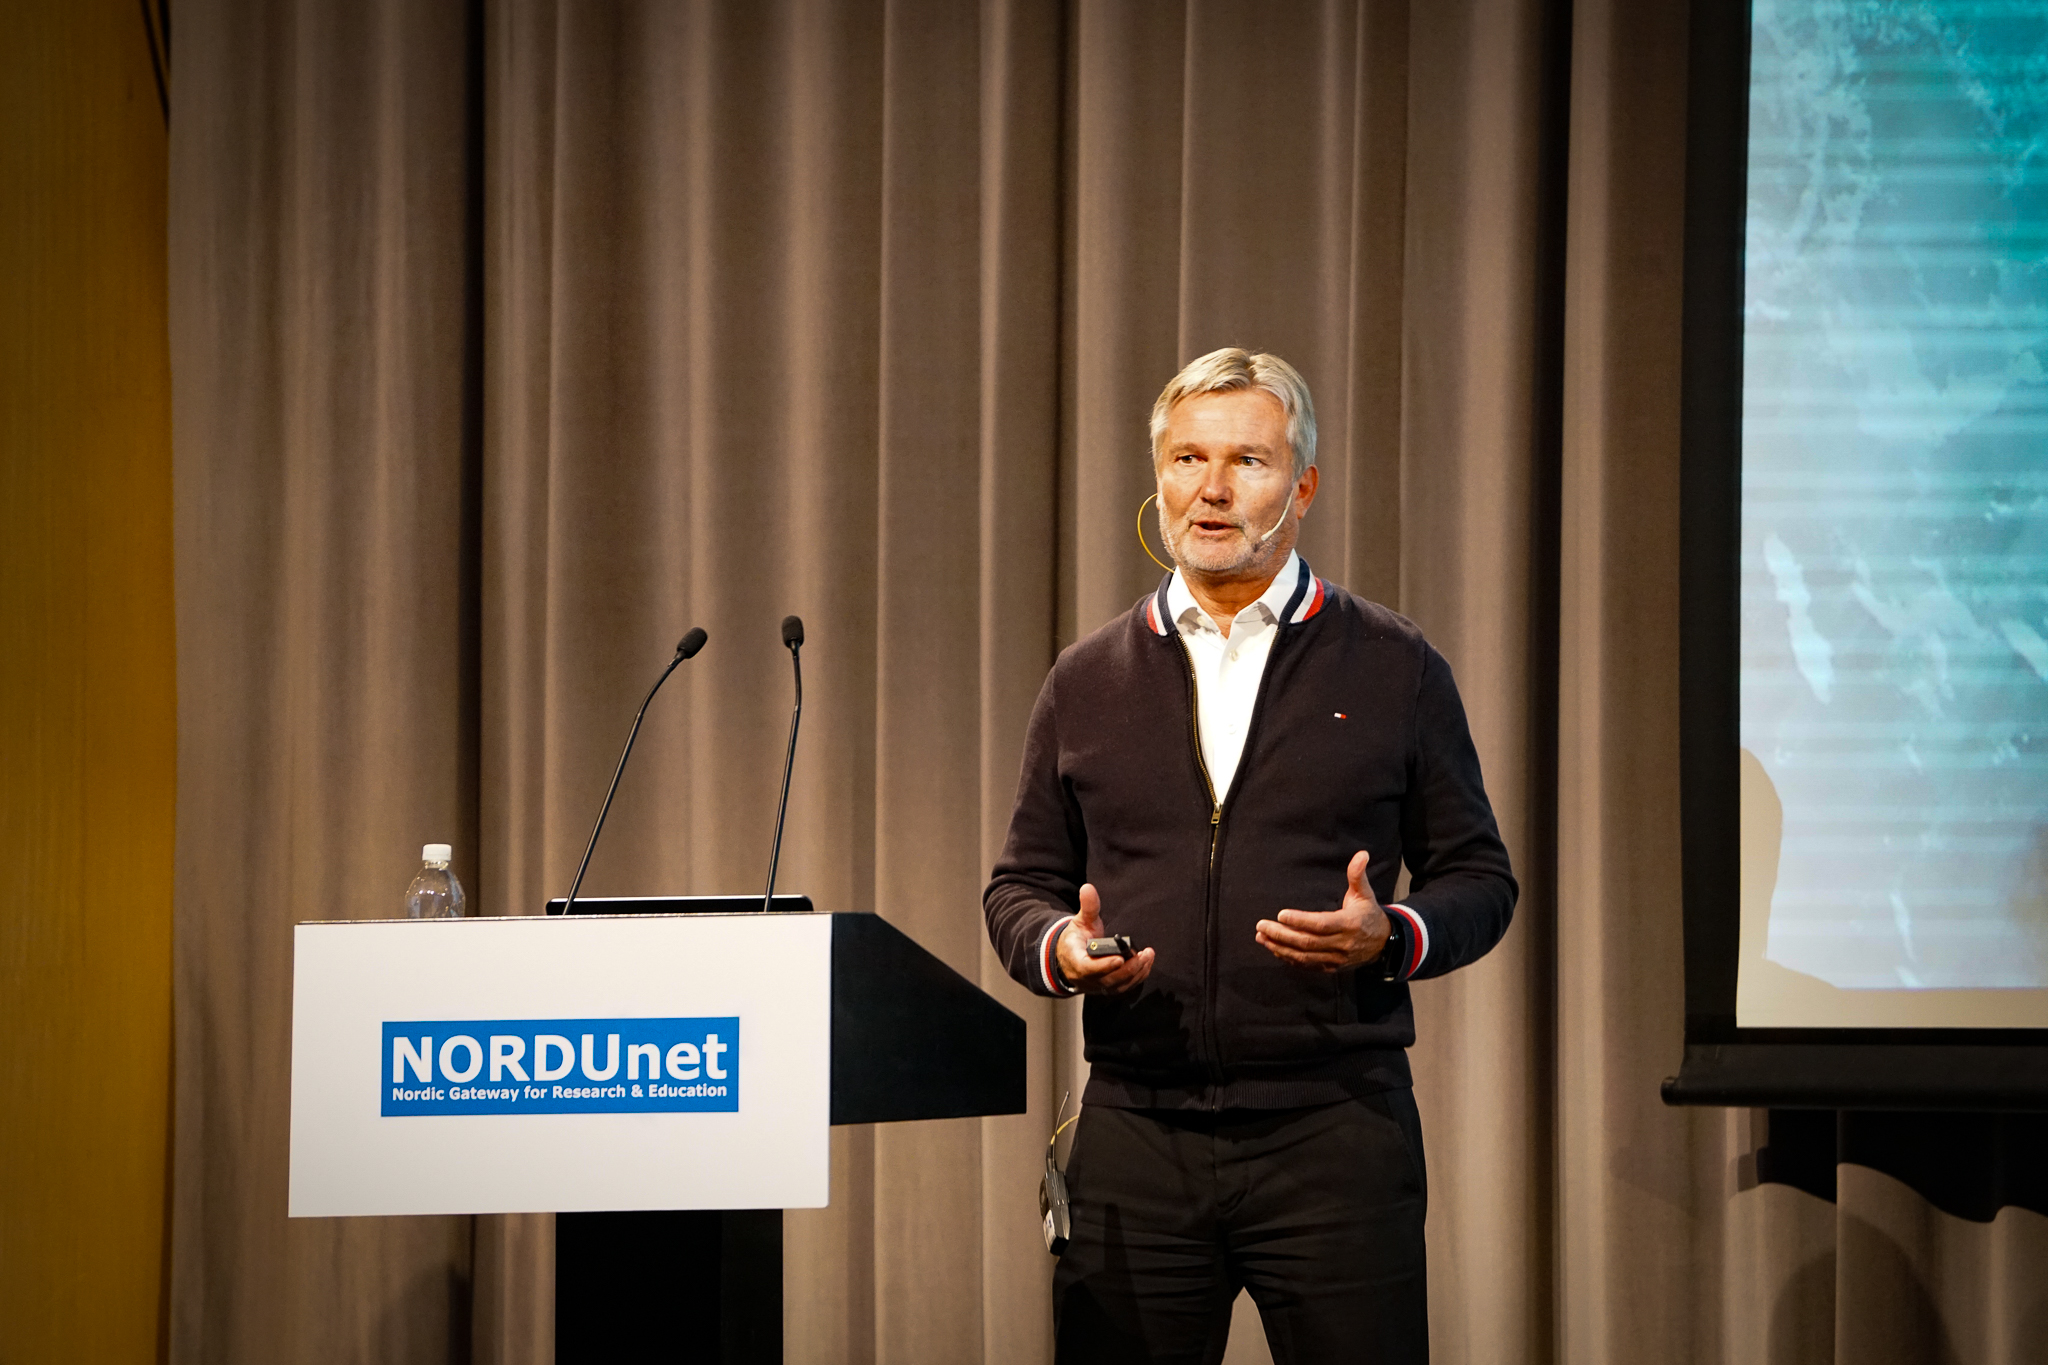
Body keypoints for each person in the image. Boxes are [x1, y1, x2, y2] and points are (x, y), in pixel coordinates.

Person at [984, 347, 1516, 1364]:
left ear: (1302, 487)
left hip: (1335, 1135)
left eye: (1247, 461)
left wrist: (1392, 935)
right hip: (1135, 1133)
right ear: (1158, 478)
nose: (1212, 489)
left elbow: (1479, 879)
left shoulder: (1394, 664)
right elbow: (1020, 885)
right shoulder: (1086, 678)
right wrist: (1059, 947)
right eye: (1187, 459)